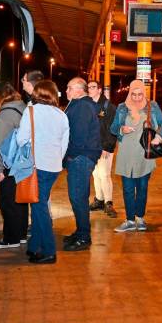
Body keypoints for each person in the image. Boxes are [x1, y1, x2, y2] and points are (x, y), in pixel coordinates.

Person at [16, 80, 69, 264]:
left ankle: (49, 251)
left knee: (39, 207)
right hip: (53, 167)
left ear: (37, 93)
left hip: (37, 166)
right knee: (38, 204)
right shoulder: (62, 115)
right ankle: (34, 246)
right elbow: (64, 144)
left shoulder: (31, 111)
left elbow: (21, 139)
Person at [110, 80, 162, 232]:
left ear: (144, 93)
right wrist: (122, 129)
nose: (136, 98)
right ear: (130, 93)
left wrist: (159, 137)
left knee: (142, 187)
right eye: (133, 94)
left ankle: (140, 218)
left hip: (144, 154)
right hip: (126, 153)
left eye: (140, 94)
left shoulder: (152, 106)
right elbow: (113, 128)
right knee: (128, 189)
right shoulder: (122, 108)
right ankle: (129, 220)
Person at [62, 77, 102, 251]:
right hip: (81, 157)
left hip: (80, 157)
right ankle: (80, 232)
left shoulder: (82, 106)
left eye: (69, 88)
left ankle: (84, 237)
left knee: (78, 197)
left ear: (79, 90)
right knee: (78, 197)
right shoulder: (80, 105)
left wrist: (69, 155)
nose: (67, 91)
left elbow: (78, 135)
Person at [0, 82, 28, 249]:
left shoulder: (5, 116)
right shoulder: (23, 108)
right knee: (20, 200)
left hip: (8, 166)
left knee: (7, 202)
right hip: (22, 163)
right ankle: (21, 234)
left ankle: (11, 238)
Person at [87, 80, 118, 217]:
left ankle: (108, 202)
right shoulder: (88, 105)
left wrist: (107, 147)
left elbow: (113, 129)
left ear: (99, 90)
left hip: (104, 147)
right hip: (91, 147)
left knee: (105, 174)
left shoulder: (109, 107)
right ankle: (99, 200)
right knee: (95, 174)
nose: (90, 89)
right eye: (88, 87)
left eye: (93, 87)